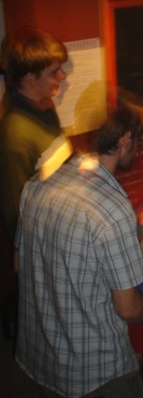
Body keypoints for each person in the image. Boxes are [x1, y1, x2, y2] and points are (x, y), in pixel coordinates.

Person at [14, 105, 143, 398]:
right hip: (96, 378)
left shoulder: (36, 185)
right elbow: (128, 308)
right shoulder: (112, 210)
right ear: (125, 140)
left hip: (44, 364)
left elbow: (20, 264)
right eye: (138, 139)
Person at [0, 26, 72, 242]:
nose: (62, 76)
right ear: (29, 77)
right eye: (54, 72)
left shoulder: (44, 107)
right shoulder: (15, 136)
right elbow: (17, 218)